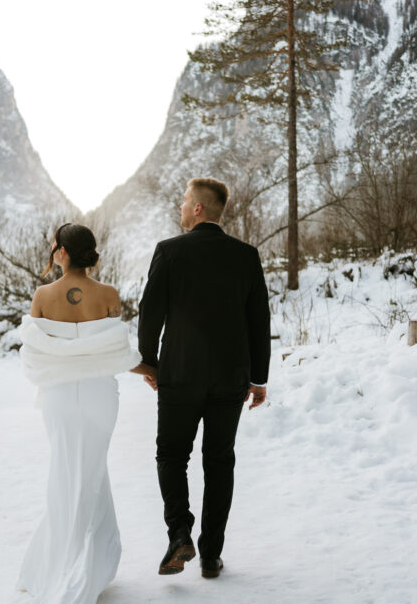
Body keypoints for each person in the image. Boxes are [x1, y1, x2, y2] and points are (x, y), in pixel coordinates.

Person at [136, 177, 271, 579]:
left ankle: (180, 533)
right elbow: (258, 320)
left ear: (198, 208)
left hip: (179, 374)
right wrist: (258, 377)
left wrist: (150, 363)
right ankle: (211, 555)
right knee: (219, 462)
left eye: (183, 202)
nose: (180, 208)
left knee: (172, 455)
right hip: (231, 378)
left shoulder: (169, 252)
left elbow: (150, 313)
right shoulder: (246, 256)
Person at [16, 223, 147, 604]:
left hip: (58, 395)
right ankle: (87, 565)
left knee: (64, 470)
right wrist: (149, 371)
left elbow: (35, 353)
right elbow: (112, 352)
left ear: (61, 252)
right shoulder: (108, 294)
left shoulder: (43, 295)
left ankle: (65, 564)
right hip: (99, 396)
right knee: (92, 470)